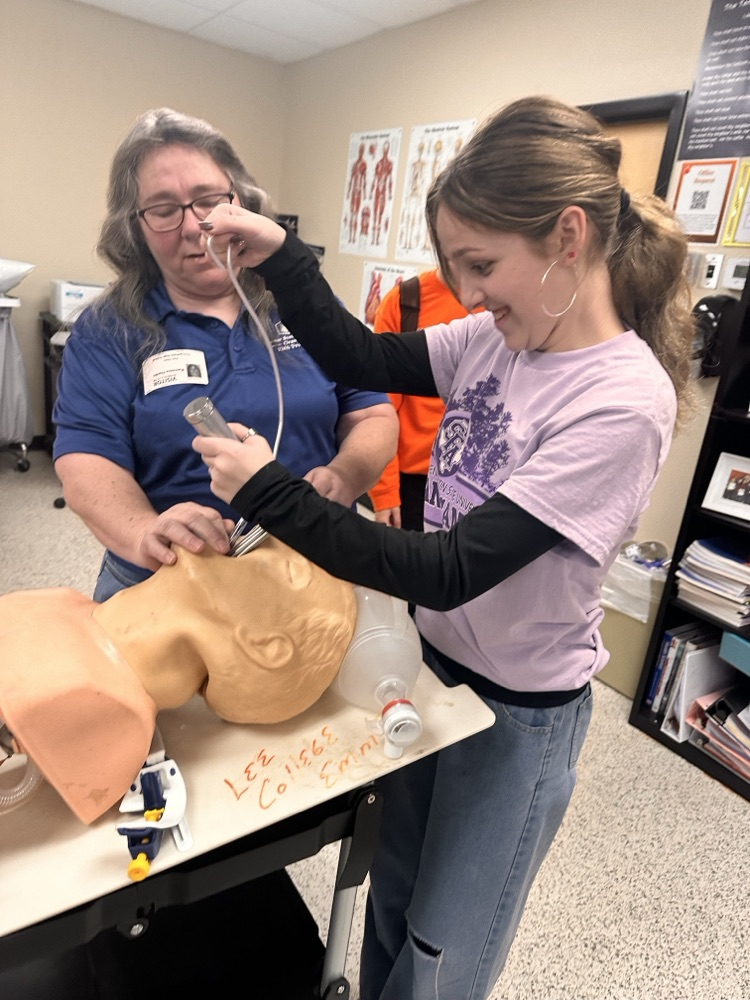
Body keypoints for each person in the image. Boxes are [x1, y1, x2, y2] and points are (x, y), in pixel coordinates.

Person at [191, 95, 696, 1000]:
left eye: (482, 265)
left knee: (439, 956)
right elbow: (363, 356)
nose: (468, 293)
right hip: (435, 672)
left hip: (516, 714)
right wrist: (283, 256)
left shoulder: (621, 402)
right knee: (393, 900)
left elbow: (450, 568)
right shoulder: (498, 336)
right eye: (456, 267)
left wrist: (269, 491)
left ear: (568, 236)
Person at [52, 107, 398, 601]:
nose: (195, 227)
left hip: (313, 564)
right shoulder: (108, 329)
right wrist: (144, 532)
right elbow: (86, 460)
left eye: (208, 200)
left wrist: (346, 476)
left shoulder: (304, 304)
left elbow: (372, 414)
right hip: (172, 580)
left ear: (240, 200)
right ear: (135, 228)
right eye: (164, 209)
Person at [0, 536, 356, 824]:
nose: (246, 539)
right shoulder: (63, 605)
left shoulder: (99, 706)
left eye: (289, 569)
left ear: (264, 645)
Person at [367, 268, 481, 530]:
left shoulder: (505, 303)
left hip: (481, 481)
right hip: (414, 485)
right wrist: (385, 493)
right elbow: (380, 407)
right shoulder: (406, 300)